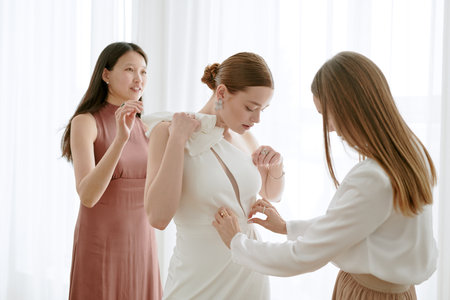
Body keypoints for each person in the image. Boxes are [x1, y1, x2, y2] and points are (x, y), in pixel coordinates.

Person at [213, 51, 438, 299]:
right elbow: (358, 223)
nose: (329, 128)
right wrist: (288, 227)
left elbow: (300, 257)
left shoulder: (373, 178)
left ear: (350, 108)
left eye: (325, 115)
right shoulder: (410, 151)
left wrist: (237, 242)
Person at [142, 52, 285, 299]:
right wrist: (178, 140)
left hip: (250, 274)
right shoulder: (168, 131)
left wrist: (276, 168)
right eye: (251, 108)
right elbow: (158, 217)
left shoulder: (245, 136)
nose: (258, 119)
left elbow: (270, 195)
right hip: (199, 280)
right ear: (221, 94)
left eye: (263, 109)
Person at [61, 42, 162, 300]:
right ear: (106, 75)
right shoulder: (86, 121)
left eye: (143, 71)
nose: (138, 79)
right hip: (101, 245)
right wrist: (120, 139)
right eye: (130, 69)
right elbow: (88, 195)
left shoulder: (146, 126)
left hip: (142, 244)